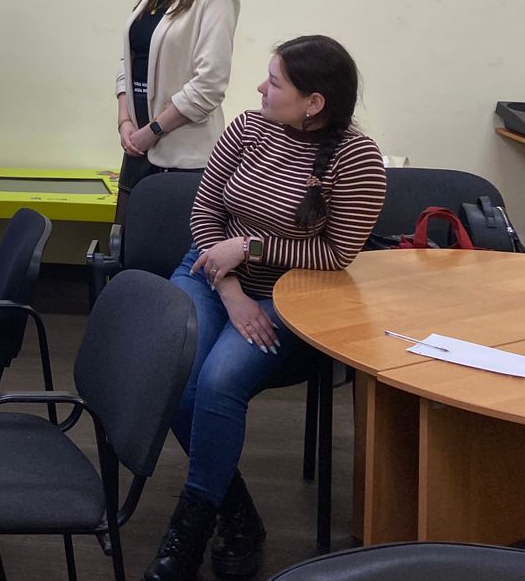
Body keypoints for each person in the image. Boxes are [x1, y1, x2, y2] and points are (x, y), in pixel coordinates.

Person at [143, 36, 387, 581]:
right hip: (211, 274)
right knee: (174, 370)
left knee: (219, 382)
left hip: (291, 297)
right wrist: (230, 287)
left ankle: (191, 527)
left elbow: (336, 254)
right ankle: (238, 515)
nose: (260, 88)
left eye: (274, 82)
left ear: (313, 103)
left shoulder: (357, 159)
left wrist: (251, 248)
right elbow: (204, 211)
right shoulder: (248, 128)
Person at [116, 0, 240, 201]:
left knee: (168, 232)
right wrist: (125, 121)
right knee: (127, 232)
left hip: (183, 157)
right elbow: (129, 62)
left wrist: (153, 130)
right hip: (137, 147)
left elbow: (209, 85)